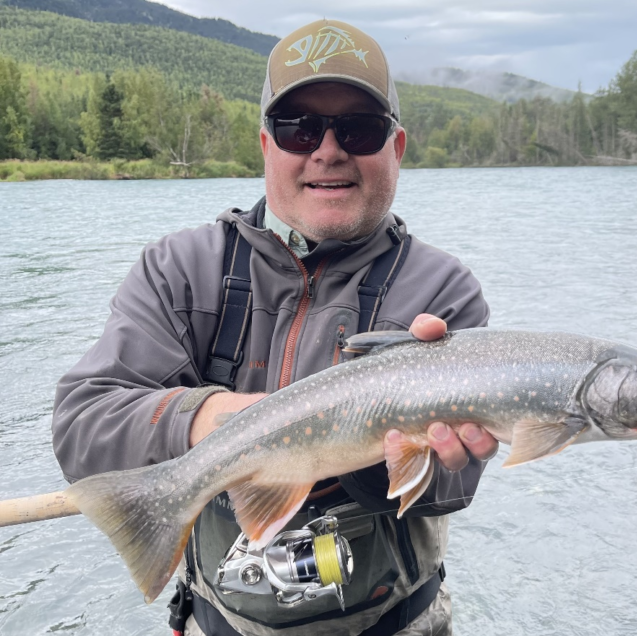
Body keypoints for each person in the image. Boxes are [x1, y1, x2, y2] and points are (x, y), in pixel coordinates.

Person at [52, 19, 497, 636]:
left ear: (396, 148)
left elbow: (453, 483)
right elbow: (83, 425)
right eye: (300, 128)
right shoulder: (182, 270)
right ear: (267, 146)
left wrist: (381, 453)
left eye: (359, 129)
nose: (328, 150)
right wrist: (211, 422)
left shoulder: (441, 292)